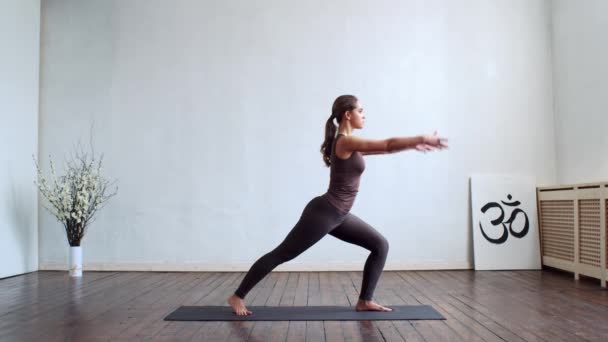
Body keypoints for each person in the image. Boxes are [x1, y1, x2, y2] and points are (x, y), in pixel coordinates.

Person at [227, 95, 448, 315]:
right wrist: (421, 137)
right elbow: (388, 144)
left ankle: (365, 301)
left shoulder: (350, 143)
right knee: (282, 254)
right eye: (361, 111)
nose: (364, 115)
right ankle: (237, 296)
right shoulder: (345, 141)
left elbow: (383, 149)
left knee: (380, 245)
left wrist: (414, 145)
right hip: (325, 212)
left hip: (339, 215)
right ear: (347, 115)